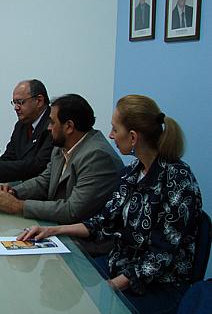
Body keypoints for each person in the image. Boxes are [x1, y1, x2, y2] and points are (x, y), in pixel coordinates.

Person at [19, 95, 202, 314]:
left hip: (158, 285)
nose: (110, 135)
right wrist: (51, 230)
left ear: (133, 137)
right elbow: (103, 222)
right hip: (119, 267)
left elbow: (161, 255)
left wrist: (110, 286)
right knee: (63, 285)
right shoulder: (132, 173)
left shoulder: (178, 180)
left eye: (115, 129)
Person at [0, 94, 122, 254]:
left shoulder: (97, 156)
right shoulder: (61, 147)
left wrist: (19, 206)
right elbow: (44, 181)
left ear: (69, 126)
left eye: (52, 122)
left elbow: (73, 210)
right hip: (57, 230)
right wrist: (13, 192)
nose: (48, 128)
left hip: (86, 245)